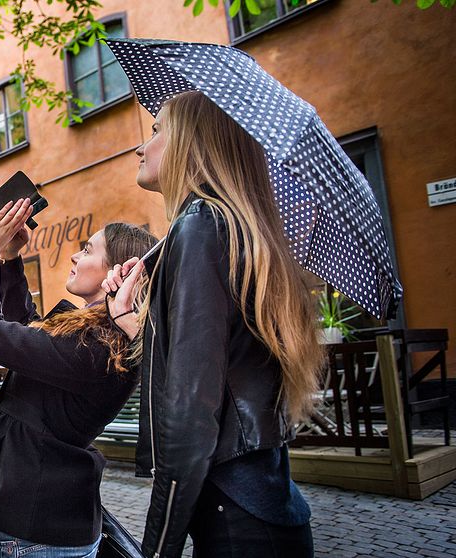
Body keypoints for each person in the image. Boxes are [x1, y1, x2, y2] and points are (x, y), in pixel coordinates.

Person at [103, 90, 326, 558]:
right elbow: (217, 373)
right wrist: (135, 324)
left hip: (236, 523)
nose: (141, 147)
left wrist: (157, 549)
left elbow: (190, 414)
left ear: (194, 142)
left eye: (158, 130)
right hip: (260, 504)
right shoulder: (229, 225)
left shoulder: (200, 225)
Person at [0, 199, 158, 558]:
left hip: (35, 528)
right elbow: (27, 329)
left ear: (119, 271)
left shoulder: (97, 347)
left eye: (88, 250)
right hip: (36, 518)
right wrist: (12, 259)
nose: (76, 257)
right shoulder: (96, 335)